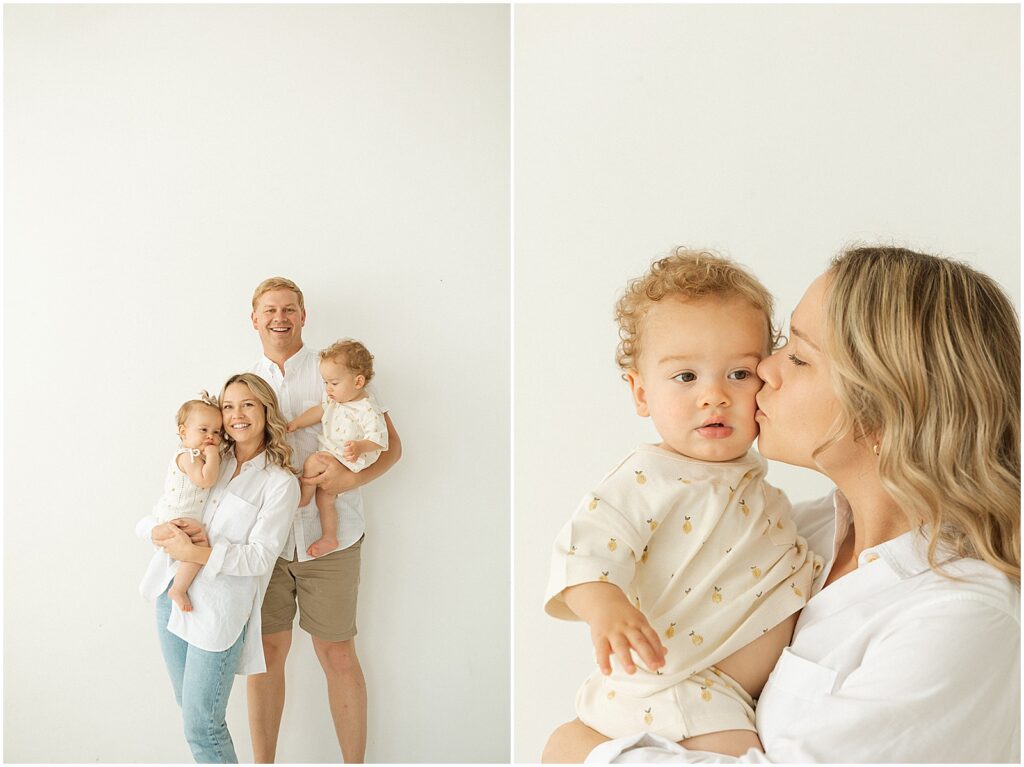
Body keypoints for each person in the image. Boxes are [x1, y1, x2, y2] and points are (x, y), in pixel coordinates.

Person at [544, 246, 1020, 763]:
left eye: (797, 355)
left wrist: (581, 753)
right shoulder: (796, 534)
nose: (763, 369)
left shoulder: (961, 617)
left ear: (883, 410)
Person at [544, 250, 820, 757]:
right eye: (687, 377)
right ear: (641, 392)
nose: (714, 396)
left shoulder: (763, 492)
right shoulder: (646, 479)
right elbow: (582, 552)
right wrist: (607, 609)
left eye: (739, 374)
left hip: (720, 692)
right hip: (679, 691)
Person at [246, 277, 402, 764]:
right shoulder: (244, 381)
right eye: (269, 310)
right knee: (266, 656)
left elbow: (391, 446)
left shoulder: (335, 369)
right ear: (254, 319)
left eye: (289, 308)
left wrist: (351, 482)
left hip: (330, 540)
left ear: (303, 315)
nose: (280, 318)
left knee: (337, 654)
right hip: (266, 543)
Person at [138, 374, 300, 763]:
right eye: (228, 406)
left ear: (265, 410)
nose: (236, 415)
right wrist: (153, 530)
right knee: (190, 712)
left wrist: (196, 554)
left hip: (218, 614)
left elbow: (261, 557)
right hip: (170, 598)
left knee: (203, 727)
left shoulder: (279, 484)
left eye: (247, 405)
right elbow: (165, 506)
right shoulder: (209, 456)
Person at [288, 338, 388, 558]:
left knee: (313, 462)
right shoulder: (335, 400)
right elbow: (318, 411)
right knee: (325, 497)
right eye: (325, 383)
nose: (328, 389)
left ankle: (303, 496)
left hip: (350, 456)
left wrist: (360, 446)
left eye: (333, 383)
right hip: (336, 452)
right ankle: (330, 536)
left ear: (358, 381)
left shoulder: (367, 408)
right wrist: (296, 423)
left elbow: (380, 438)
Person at [142, 392, 223, 613]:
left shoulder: (196, 456)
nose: (211, 437)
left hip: (181, 517)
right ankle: (178, 588)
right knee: (200, 549)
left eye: (217, 432)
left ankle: (174, 585)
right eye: (204, 430)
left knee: (191, 551)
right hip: (178, 518)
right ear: (183, 431)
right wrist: (214, 454)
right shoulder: (187, 456)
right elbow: (205, 480)